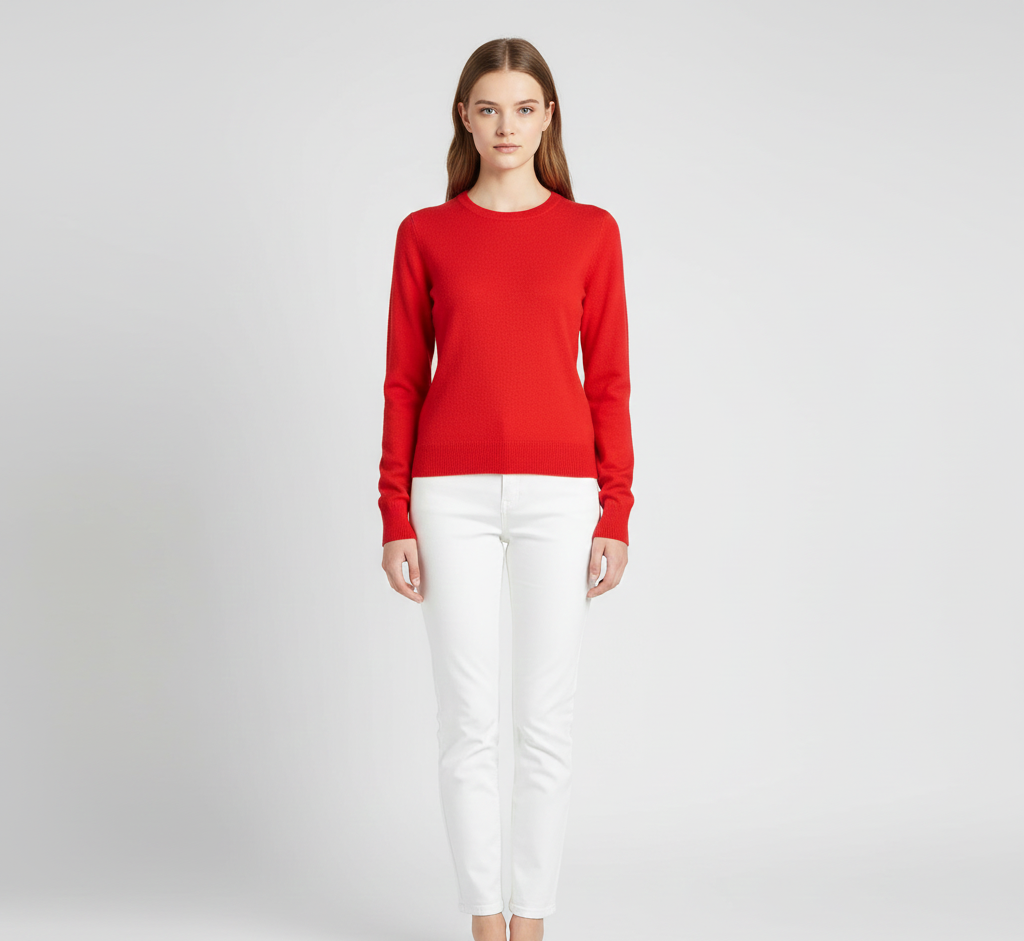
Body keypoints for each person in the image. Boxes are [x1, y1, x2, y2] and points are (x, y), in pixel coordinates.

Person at [377, 37, 634, 941]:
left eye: (524, 109)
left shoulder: (591, 232)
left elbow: (610, 382)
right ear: (465, 117)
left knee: (545, 723)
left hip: (562, 498)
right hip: (446, 498)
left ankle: (531, 924)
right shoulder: (425, 234)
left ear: (548, 117)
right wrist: (395, 514)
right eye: (489, 109)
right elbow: (402, 382)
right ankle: (486, 924)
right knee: (467, 722)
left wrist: (616, 508)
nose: (506, 126)